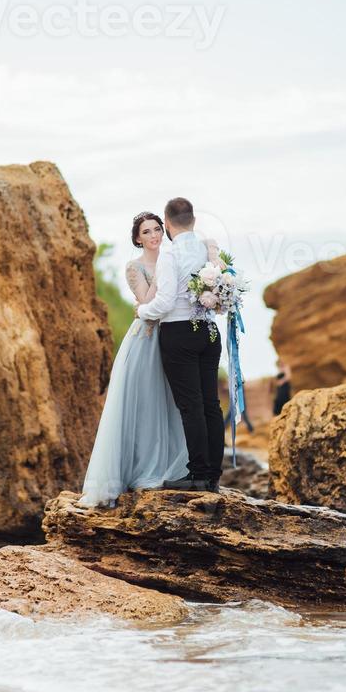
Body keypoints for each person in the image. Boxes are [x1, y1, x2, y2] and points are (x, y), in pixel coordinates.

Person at [77, 211, 190, 507]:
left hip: (172, 337)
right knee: (143, 402)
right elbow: (147, 301)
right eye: (147, 232)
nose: (154, 236)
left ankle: (169, 466)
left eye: (157, 230)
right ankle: (136, 469)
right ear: (137, 239)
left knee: (169, 402)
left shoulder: (174, 258)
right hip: (146, 339)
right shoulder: (134, 267)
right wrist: (165, 274)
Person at [137, 197, 225, 492]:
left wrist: (142, 312)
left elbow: (163, 300)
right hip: (210, 333)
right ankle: (213, 474)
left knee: (191, 406)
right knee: (211, 404)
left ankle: (197, 475)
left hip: (179, 333)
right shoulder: (209, 251)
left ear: (168, 222)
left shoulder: (170, 255)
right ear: (193, 221)